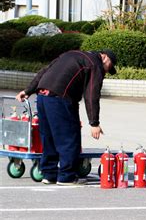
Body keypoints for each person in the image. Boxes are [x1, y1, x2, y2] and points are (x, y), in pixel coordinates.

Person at [16, 49, 117, 185]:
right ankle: (67, 176)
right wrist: (94, 123)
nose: (106, 72)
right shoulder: (95, 64)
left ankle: (49, 174)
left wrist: (28, 90)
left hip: (42, 97)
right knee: (69, 137)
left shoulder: (71, 54)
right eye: (109, 68)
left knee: (49, 137)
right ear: (105, 58)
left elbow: (45, 71)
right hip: (60, 99)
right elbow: (92, 95)